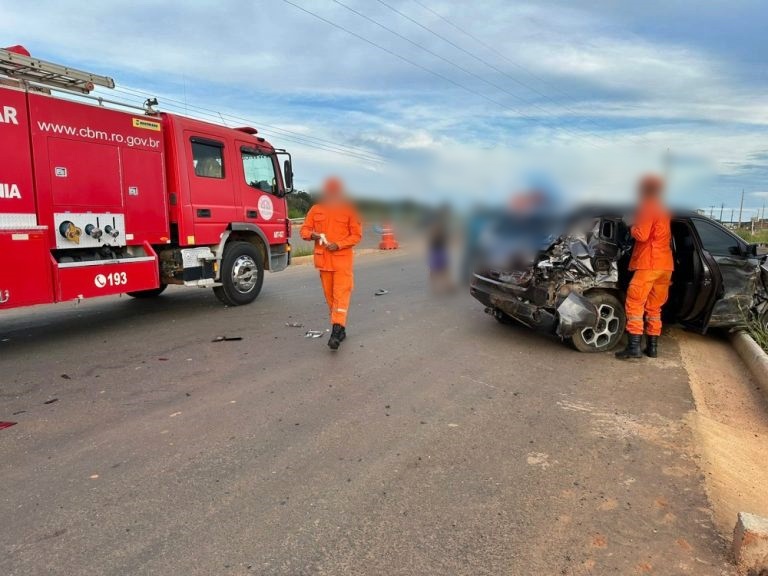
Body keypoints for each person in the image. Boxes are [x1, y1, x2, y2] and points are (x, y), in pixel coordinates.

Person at [616, 174, 674, 360]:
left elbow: (642, 235)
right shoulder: (664, 208)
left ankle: (634, 348)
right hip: (665, 266)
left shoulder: (648, 205)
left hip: (649, 263)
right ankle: (652, 348)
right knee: (654, 308)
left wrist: (631, 224)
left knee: (635, 303)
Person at [300, 177, 362, 350]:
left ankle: (335, 333)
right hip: (324, 262)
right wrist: (312, 235)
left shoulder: (349, 210)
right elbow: (304, 230)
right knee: (331, 298)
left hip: (342, 261)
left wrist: (339, 244)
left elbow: (356, 235)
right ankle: (340, 328)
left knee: (340, 295)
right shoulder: (316, 209)